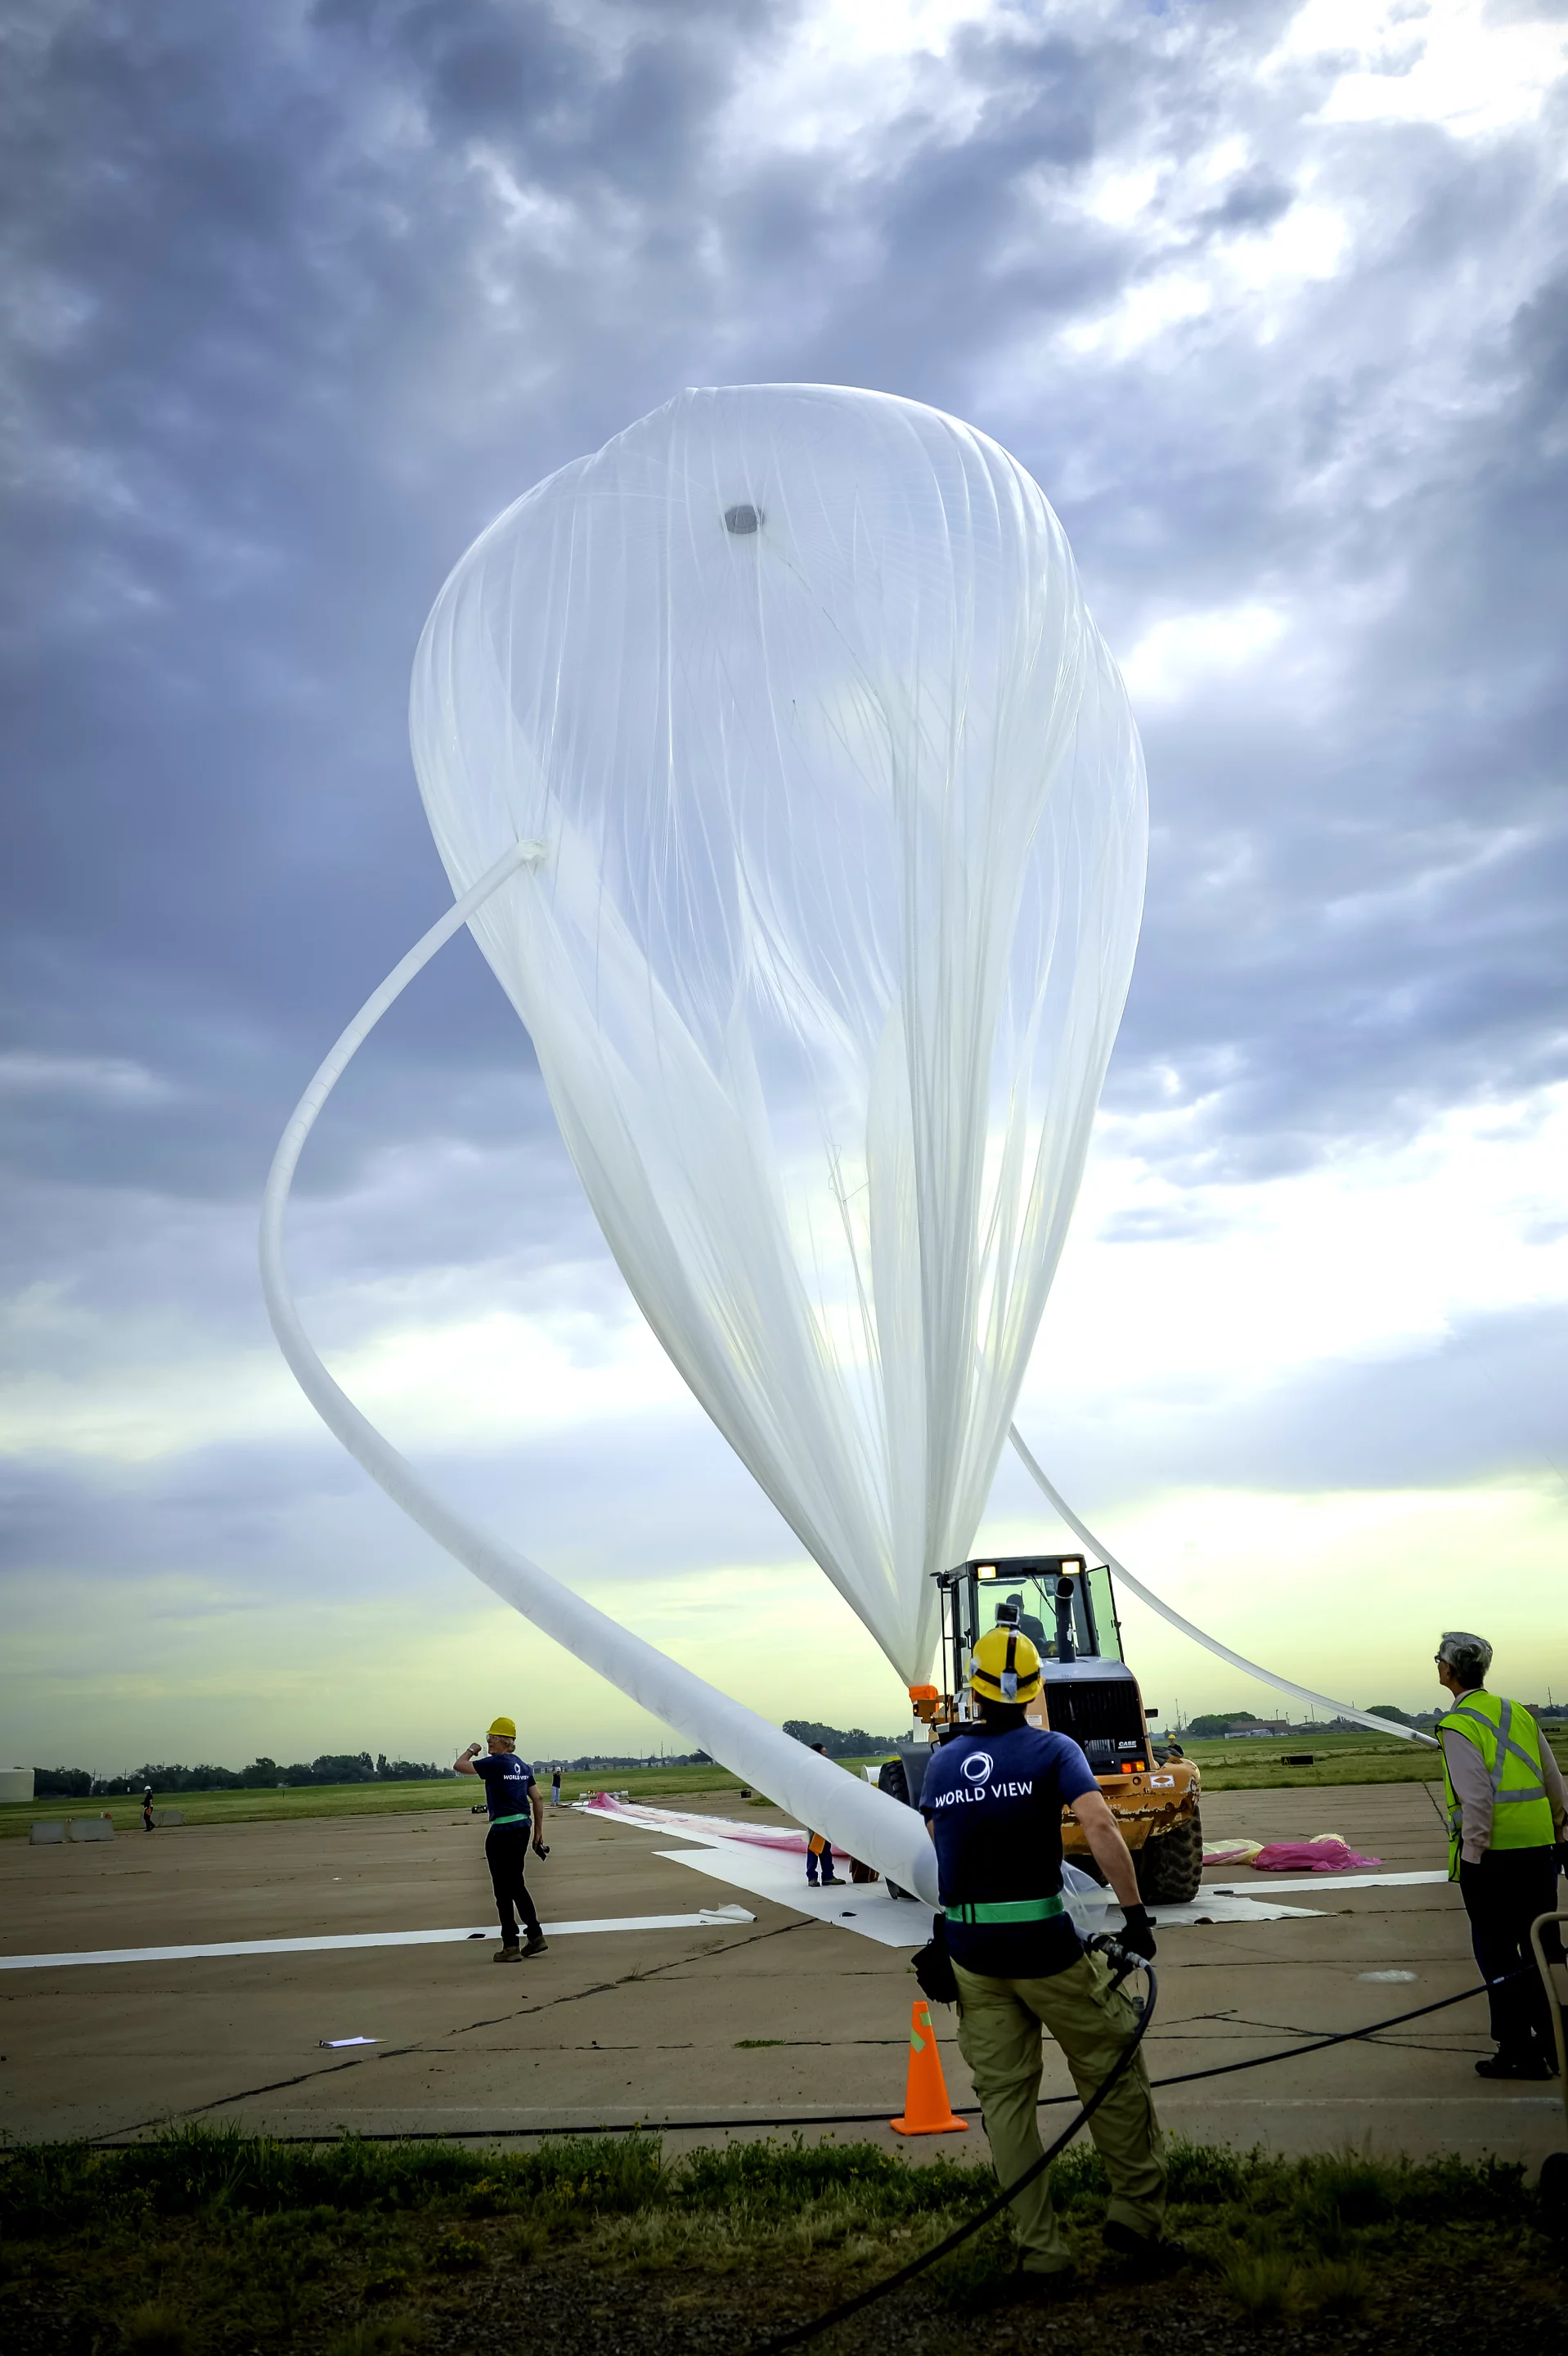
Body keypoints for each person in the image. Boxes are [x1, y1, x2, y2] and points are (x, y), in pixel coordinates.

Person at [920, 1625, 1178, 2297]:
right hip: (1043, 1947)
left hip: (971, 1952)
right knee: (1112, 2064)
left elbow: (941, 1843)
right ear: (1033, 1690)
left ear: (973, 1691)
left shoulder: (942, 1763)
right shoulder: (1053, 1748)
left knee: (1005, 2103)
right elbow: (1099, 1825)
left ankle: (1040, 2254)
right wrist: (1134, 1916)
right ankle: (1136, 2217)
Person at [1435, 1630, 1566, 2079]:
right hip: (1539, 1851)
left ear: (1450, 1670)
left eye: (1439, 1660)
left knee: (1497, 1956)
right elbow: (1553, 1780)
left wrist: (1473, 1858)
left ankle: (1518, 2049)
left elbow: (1477, 1801)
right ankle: (1554, 2043)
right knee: (1538, 1950)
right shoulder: (1516, 1712)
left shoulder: (1458, 1725)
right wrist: (1561, 1831)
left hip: (1495, 1858)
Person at [456, 1717, 549, 1962]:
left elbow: (460, 1766)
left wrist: (471, 1750)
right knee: (516, 1884)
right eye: (488, 1739)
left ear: (505, 1742)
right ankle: (535, 1935)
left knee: (502, 1889)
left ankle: (510, 1945)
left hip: (501, 1831)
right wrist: (538, 1833)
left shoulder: (495, 1763)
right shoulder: (523, 1767)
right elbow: (538, 1798)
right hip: (523, 1828)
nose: (489, 1743)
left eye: (493, 1739)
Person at [805, 1741, 841, 1888]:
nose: (826, 1755)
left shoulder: (823, 1769)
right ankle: (812, 1877)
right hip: (814, 1812)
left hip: (824, 1811)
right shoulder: (812, 1771)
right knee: (815, 1845)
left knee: (825, 1845)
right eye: (824, 1753)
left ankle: (827, 1876)